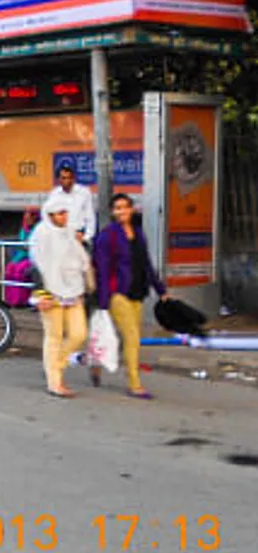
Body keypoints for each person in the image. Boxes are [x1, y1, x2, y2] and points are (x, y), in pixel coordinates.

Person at [92, 194, 170, 399]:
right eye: (117, 208)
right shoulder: (106, 236)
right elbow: (102, 270)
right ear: (112, 211)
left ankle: (95, 361)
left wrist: (160, 289)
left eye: (125, 207)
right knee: (132, 338)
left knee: (125, 338)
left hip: (137, 292)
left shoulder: (138, 233)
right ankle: (134, 384)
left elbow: (146, 264)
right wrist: (103, 302)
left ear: (131, 209)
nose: (121, 211)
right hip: (118, 294)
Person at [29, 195, 93, 398]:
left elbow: (81, 259)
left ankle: (54, 365)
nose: (63, 216)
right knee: (54, 337)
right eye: (59, 213)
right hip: (50, 292)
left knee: (79, 334)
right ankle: (54, 382)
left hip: (73, 291)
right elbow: (36, 265)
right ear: (49, 214)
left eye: (65, 212)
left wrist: (87, 283)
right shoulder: (41, 234)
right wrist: (41, 294)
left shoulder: (69, 233)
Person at [45, 165, 96, 246]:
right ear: (59, 180)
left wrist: (86, 238)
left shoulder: (84, 192)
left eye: (69, 177)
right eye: (63, 178)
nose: (67, 180)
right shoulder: (54, 195)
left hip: (79, 236)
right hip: (60, 237)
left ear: (73, 179)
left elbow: (90, 217)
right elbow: (48, 218)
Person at [3, 207, 39, 308]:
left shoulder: (38, 229)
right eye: (25, 217)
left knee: (20, 269)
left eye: (29, 217)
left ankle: (22, 300)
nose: (26, 219)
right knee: (10, 268)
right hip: (21, 255)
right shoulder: (23, 229)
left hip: (33, 257)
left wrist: (26, 247)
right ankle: (11, 300)